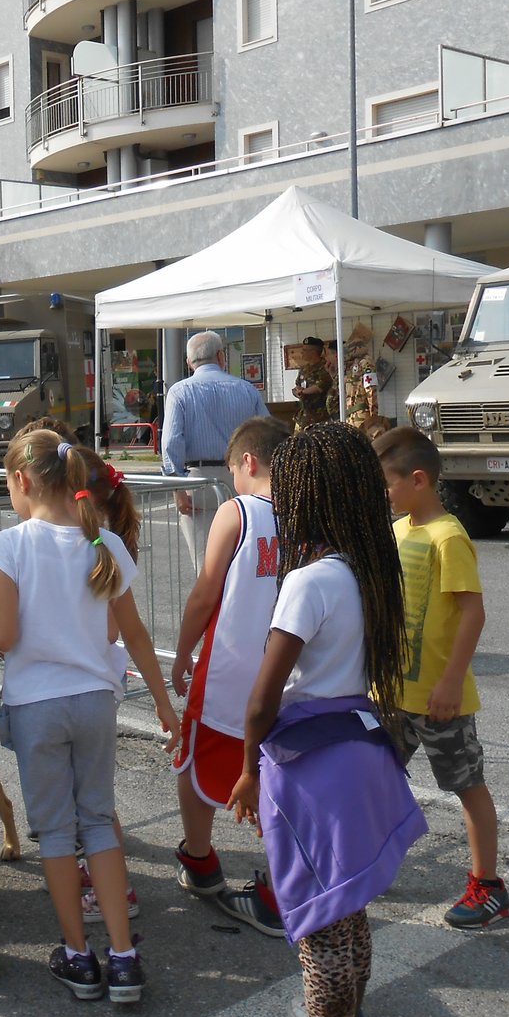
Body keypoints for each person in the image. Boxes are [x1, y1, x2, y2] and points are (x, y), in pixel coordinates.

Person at [227, 422, 426, 1017]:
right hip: (362, 749)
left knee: (321, 940)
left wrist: (249, 771)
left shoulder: (309, 580)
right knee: (348, 924)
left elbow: (261, 701)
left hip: (314, 770)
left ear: (309, 496)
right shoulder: (369, 568)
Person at [0, 429, 179, 1004]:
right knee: (97, 823)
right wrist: (165, 705)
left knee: (58, 834)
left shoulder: (10, 546)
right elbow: (135, 634)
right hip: (96, 700)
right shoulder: (106, 544)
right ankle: (123, 955)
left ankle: (77, 954)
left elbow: (6, 634)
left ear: (20, 481)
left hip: (37, 705)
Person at [374, 426, 505, 928]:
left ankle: (487, 885)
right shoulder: (399, 530)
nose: (381, 495)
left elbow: (472, 614)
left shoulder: (449, 537)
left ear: (419, 479)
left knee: (467, 785)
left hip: (439, 698)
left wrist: (450, 682)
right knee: (375, 780)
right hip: (391, 694)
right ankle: (364, 868)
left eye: (386, 484)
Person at [172, 416, 292, 938]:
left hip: (232, 668)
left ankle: (200, 859)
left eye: (233, 469)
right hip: (289, 674)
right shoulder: (308, 512)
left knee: (195, 759)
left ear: (248, 461)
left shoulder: (237, 511)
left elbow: (205, 594)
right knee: (280, 777)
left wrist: (180, 655)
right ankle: (279, 884)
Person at [161, 331, 269, 580]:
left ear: (189, 363)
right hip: (245, 476)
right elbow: (267, 434)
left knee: (206, 563)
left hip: (199, 481)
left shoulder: (179, 392)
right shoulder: (246, 390)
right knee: (245, 556)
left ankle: (215, 615)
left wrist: (177, 487)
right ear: (221, 356)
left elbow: (170, 444)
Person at [291, 337, 334, 434]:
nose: (302, 352)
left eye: (305, 350)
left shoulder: (325, 367)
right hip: (303, 416)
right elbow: (297, 386)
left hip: (319, 416)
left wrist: (303, 392)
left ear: (314, 352)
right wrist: (296, 392)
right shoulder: (304, 369)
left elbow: (320, 387)